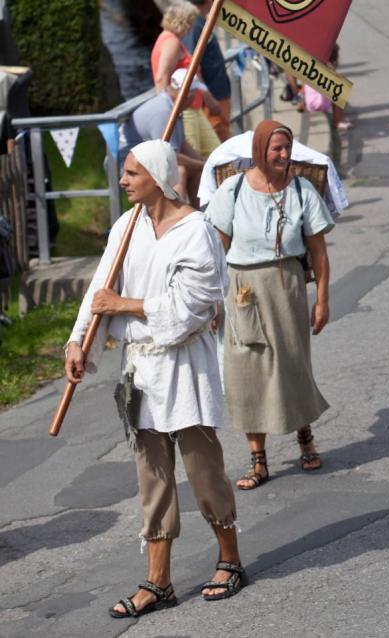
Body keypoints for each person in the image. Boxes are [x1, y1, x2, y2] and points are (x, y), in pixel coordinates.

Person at [64, 140, 246, 618]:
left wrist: (123, 307)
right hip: (141, 369)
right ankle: (158, 582)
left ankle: (229, 558)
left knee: (203, 472)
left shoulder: (196, 232)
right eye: (124, 173)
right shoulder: (126, 227)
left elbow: (190, 310)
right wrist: (78, 341)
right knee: (153, 479)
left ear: (158, 177)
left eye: (130, 173)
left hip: (185, 366)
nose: (122, 181)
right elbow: (99, 291)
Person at [206, 120, 333, 489]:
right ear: (260, 150)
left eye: (287, 148)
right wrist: (213, 301)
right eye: (276, 148)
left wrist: (322, 299)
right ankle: (257, 460)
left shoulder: (301, 191)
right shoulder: (232, 190)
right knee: (246, 373)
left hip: (286, 284)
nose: (283, 155)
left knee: (291, 364)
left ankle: (304, 435)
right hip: (242, 289)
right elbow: (216, 253)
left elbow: (319, 255)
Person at [119, 69, 206, 204]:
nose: (197, 97)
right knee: (180, 171)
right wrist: (202, 165)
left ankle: (199, 215)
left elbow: (182, 144)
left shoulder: (173, 106)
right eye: (196, 94)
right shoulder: (163, 112)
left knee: (194, 169)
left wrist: (204, 162)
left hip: (142, 161)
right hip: (127, 166)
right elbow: (170, 157)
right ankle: (178, 218)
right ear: (187, 95)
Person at [151, 2, 222, 155]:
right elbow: (161, 78)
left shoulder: (169, 39)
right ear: (183, 21)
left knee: (213, 152)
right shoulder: (172, 42)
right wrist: (168, 110)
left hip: (191, 106)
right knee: (196, 155)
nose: (191, 27)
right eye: (190, 22)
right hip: (183, 109)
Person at [185, 0, 232, 140]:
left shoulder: (201, 22)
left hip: (218, 95)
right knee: (219, 144)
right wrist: (209, 98)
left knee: (224, 135)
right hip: (212, 100)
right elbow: (192, 66)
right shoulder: (195, 26)